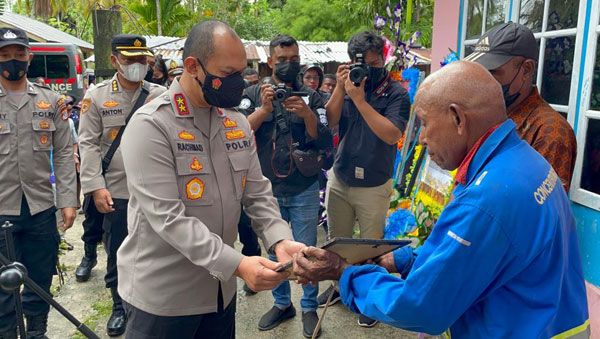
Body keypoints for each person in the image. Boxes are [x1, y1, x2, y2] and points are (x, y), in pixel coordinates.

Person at [292, 61, 590, 338]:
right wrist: (400, 259)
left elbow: (419, 307)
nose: (420, 138)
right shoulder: (524, 161)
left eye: (423, 123)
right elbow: (480, 257)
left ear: (458, 118)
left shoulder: (486, 200)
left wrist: (344, 273)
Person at [116, 20, 305, 338]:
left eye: (243, 72)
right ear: (193, 66)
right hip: (164, 300)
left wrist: (280, 240)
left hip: (220, 293)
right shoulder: (152, 125)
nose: (239, 83)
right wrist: (240, 265)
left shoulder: (236, 122)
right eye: (228, 74)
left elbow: (257, 193)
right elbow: (169, 220)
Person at [238, 34, 333, 338]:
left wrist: (306, 114)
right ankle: (282, 304)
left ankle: (308, 307)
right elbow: (237, 134)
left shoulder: (312, 96)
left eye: (294, 59)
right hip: (266, 192)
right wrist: (264, 109)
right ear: (269, 62)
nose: (289, 65)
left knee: (307, 253)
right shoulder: (253, 93)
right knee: (275, 251)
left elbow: (323, 138)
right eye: (282, 60)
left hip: (304, 187)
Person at [318, 31, 410, 327]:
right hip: (341, 178)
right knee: (339, 243)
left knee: (371, 247)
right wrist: (341, 90)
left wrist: (360, 101)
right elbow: (330, 121)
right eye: (363, 64)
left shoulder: (397, 93)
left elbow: (392, 134)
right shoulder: (349, 85)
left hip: (374, 184)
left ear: (383, 59)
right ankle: (338, 288)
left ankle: (369, 302)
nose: (369, 69)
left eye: (374, 62)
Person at [78, 34, 166, 336]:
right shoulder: (97, 95)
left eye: (142, 60)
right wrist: (94, 185)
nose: (137, 66)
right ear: (115, 60)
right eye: (130, 60)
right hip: (116, 189)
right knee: (118, 250)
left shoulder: (160, 93)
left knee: (158, 248)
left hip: (156, 189)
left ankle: (152, 300)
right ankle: (119, 304)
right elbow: (87, 143)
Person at [0, 27, 77, 338]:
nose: (13, 61)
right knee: (3, 283)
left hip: (40, 206)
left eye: (19, 54)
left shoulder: (51, 102)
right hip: (1, 209)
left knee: (40, 277)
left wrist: (68, 200)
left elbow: (63, 154)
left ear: (29, 57)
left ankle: (37, 331)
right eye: (5, 55)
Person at [465, 21, 577, 192]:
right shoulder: (489, 116)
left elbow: (538, 208)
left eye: (492, 72)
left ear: (526, 69)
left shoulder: (550, 131)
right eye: (479, 72)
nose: (483, 81)